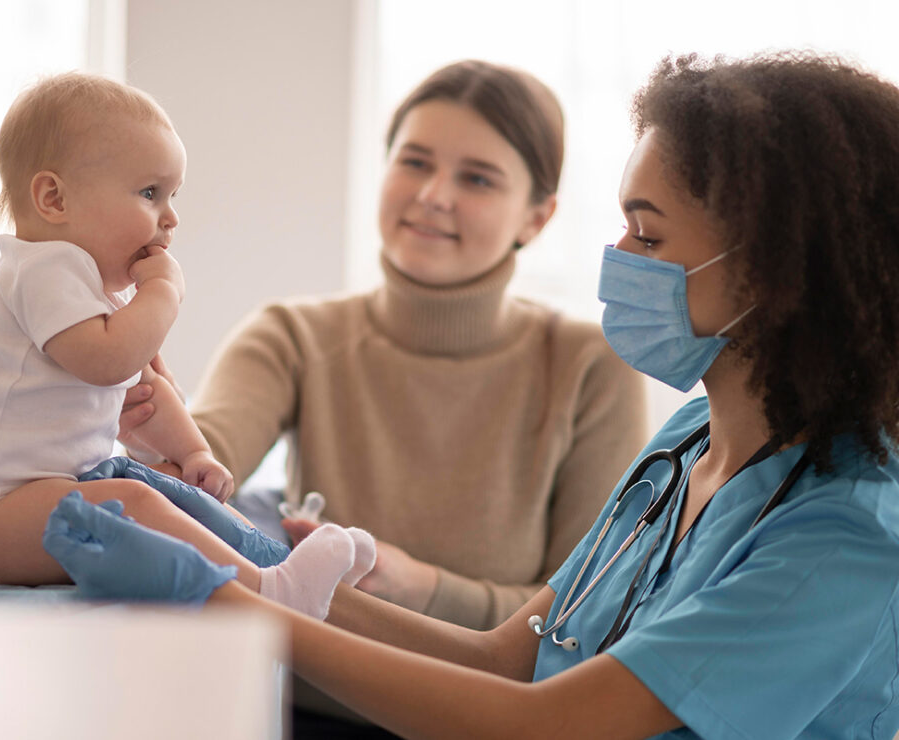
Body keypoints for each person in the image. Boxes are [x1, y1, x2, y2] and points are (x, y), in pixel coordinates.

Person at [44, 51, 899, 738]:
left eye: (648, 235)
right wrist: (248, 563)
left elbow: (543, 723)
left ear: (774, 273)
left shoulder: (838, 539)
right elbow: (515, 653)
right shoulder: (690, 442)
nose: (618, 260)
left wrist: (227, 605)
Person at [120, 60, 647, 733]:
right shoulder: (294, 335)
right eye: (414, 162)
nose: (432, 195)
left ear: (537, 217)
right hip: (304, 713)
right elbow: (199, 464)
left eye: (477, 178)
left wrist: (421, 588)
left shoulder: (589, 367)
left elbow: (585, 619)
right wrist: (151, 427)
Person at [0, 73, 371, 621]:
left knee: (164, 490)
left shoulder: (97, 293)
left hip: (46, 496)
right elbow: (110, 364)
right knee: (135, 503)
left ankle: (284, 564)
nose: (170, 217)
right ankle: (272, 591)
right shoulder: (39, 270)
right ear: (53, 198)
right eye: (150, 194)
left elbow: (144, 389)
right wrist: (164, 293)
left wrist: (194, 452)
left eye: (173, 196)